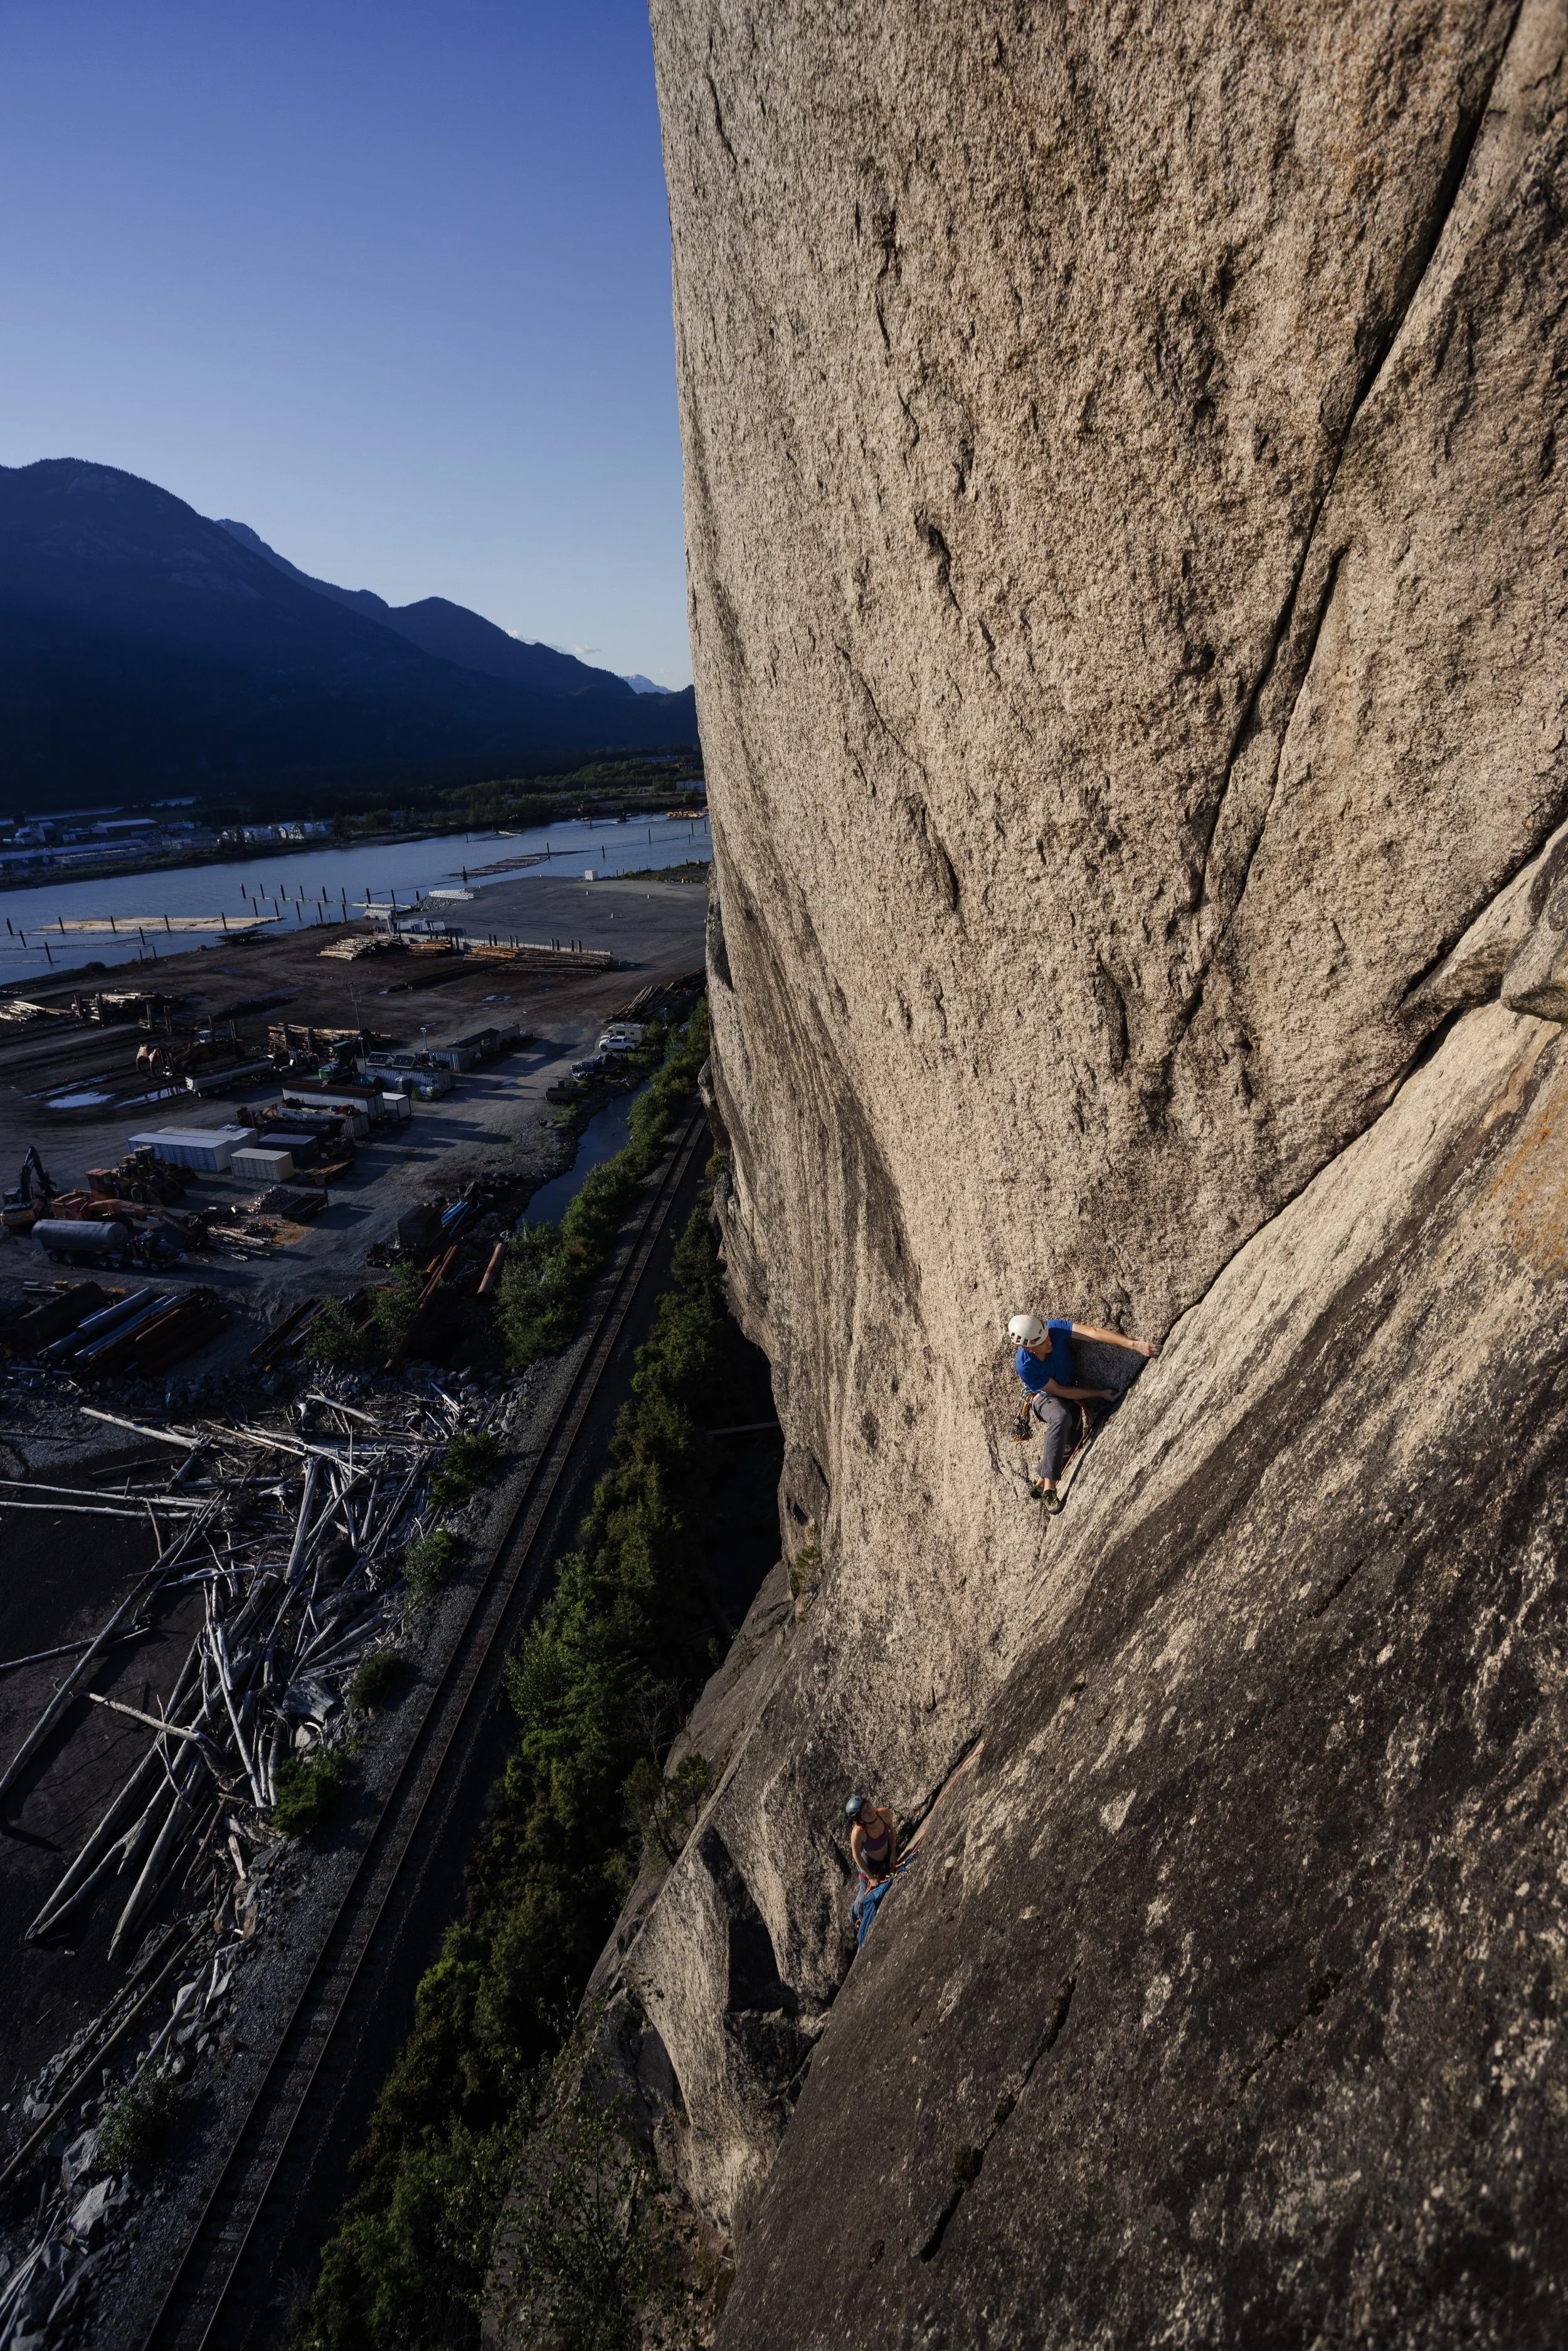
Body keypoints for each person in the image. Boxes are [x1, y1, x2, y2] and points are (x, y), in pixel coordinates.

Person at [1007, 1312, 1160, 1512]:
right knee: (1060, 1417)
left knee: (1072, 1431)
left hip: (1066, 1391)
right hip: (1044, 1398)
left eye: (1046, 1334)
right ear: (1027, 1347)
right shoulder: (1025, 1365)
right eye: (1041, 1341)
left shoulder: (1053, 1329)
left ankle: (1041, 1481)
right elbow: (1059, 1391)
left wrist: (1134, 1345)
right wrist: (1099, 1394)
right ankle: (1050, 1490)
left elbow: (1092, 1332)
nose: (1048, 1341)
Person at [845, 1793, 904, 1948]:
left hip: (885, 1857)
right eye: (864, 1811)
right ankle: (855, 1916)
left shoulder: (884, 1814)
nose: (869, 1810)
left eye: (868, 1806)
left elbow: (891, 1832)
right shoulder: (858, 1833)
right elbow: (856, 1855)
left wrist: (893, 1853)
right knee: (863, 1896)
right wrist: (870, 1877)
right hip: (869, 1866)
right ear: (859, 1820)